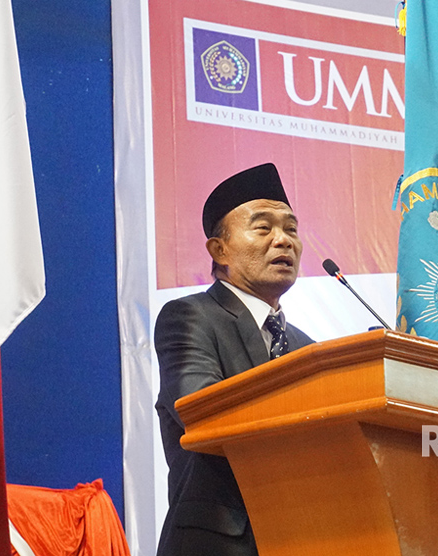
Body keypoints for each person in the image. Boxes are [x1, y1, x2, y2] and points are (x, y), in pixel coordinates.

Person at [154, 163, 314, 556]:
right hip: (218, 543)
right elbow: (202, 409)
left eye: (291, 229)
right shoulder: (190, 317)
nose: (283, 241)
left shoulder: (308, 347)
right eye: (263, 228)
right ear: (219, 249)